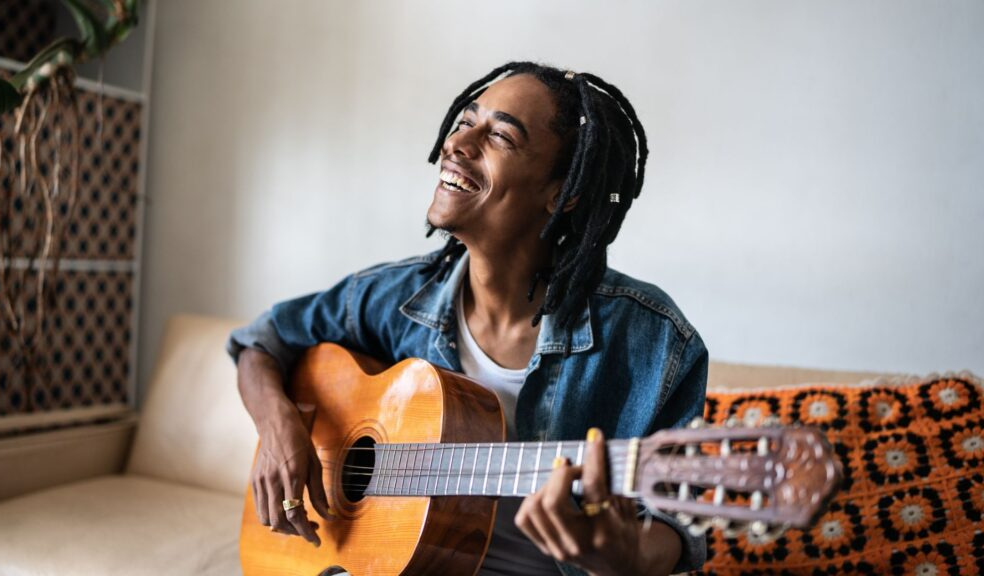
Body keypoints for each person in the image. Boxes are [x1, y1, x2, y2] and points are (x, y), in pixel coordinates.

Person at [227, 62, 708, 576]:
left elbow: (678, 528)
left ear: (562, 193)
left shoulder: (652, 339)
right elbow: (261, 343)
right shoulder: (395, 296)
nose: (459, 143)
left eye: (500, 135)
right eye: (465, 121)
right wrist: (279, 429)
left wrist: (623, 557)